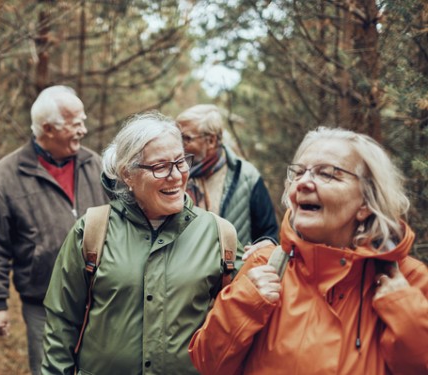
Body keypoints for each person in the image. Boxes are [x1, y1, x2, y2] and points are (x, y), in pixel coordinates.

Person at [189, 126, 428, 374]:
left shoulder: (408, 281)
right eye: (299, 173)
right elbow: (208, 363)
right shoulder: (264, 266)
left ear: (365, 203)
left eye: (327, 174)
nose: (303, 183)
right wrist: (242, 304)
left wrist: (405, 312)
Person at [41, 112, 243, 375]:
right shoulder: (92, 231)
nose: (175, 176)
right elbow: (61, 324)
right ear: (128, 174)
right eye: (160, 166)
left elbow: (241, 323)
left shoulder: (219, 234)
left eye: (180, 162)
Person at [0, 85, 108, 375]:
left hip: (102, 298)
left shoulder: (95, 164)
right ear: (48, 129)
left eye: (83, 121)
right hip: (43, 302)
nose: (83, 130)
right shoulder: (7, 174)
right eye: (75, 124)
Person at [176, 104, 279, 246]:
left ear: (211, 141)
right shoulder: (174, 174)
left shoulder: (247, 176)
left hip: (236, 267)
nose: (179, 144)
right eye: (177, 137)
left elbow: (268, 234)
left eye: (186, 138)